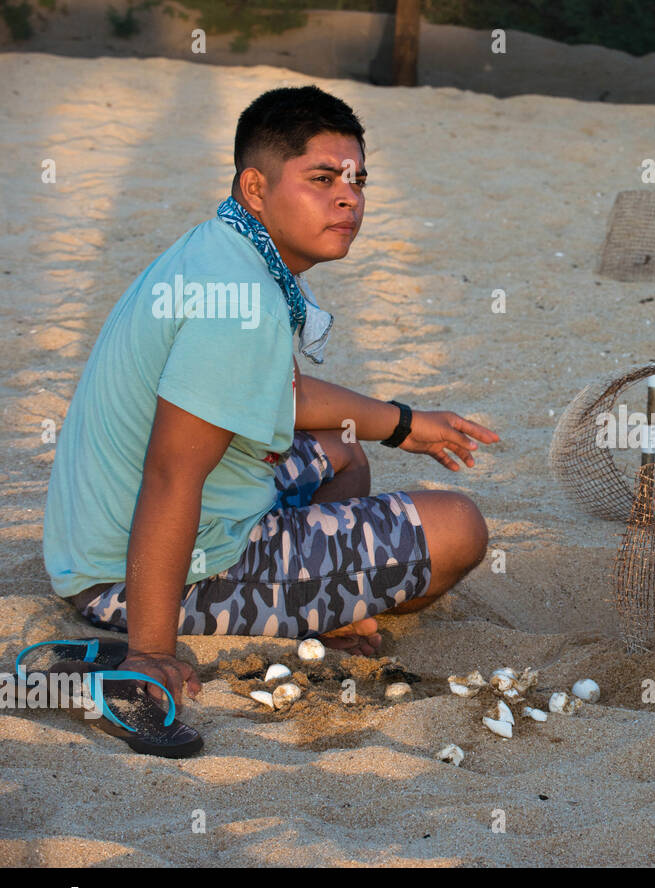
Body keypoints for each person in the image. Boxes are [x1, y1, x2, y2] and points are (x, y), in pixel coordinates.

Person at [42, 85, 499, 711]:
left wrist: (401, 424)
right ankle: (314, 604)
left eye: (357, 180)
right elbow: (173, 473)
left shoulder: (228, 249)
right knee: (459, 528)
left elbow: (276, 393)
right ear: (256, 189)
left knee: (344, 448)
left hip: (107, 533)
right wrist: (150, 652)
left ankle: (323, 600)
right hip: (129, 576)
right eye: (321, 179)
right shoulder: (241, 299)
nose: (349, 197)